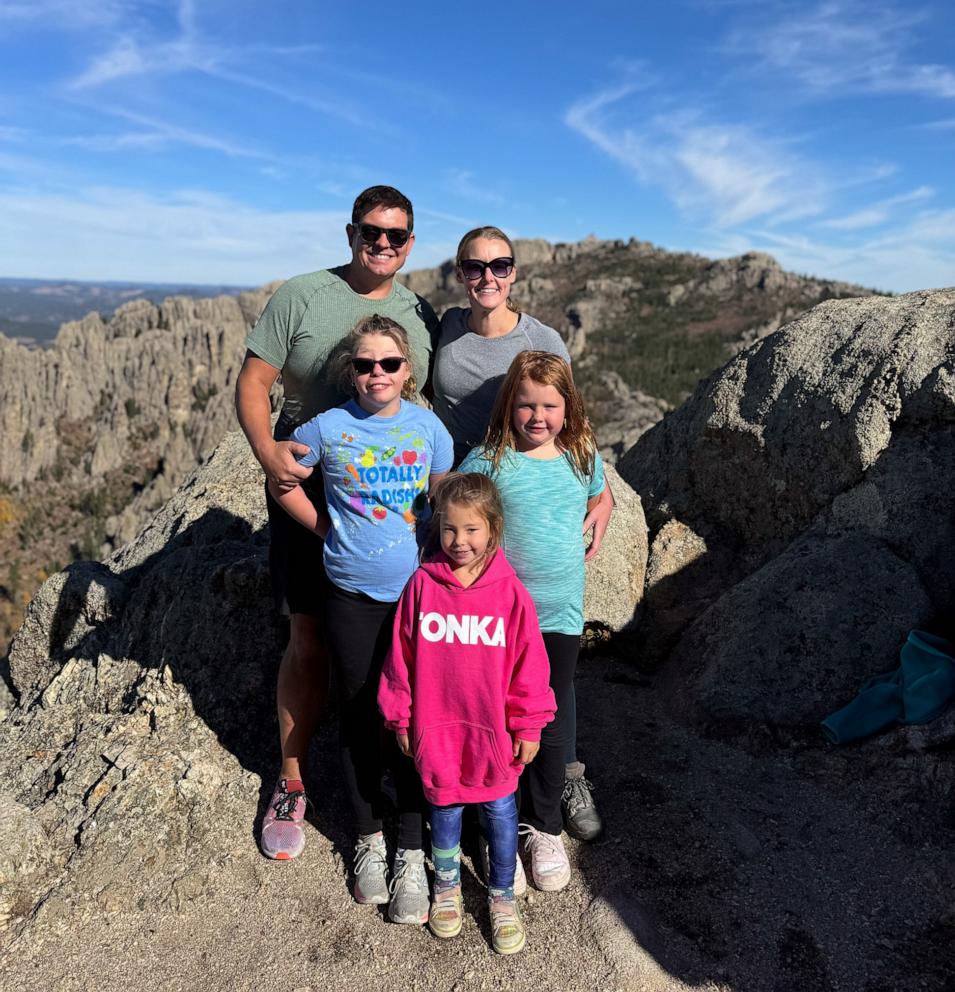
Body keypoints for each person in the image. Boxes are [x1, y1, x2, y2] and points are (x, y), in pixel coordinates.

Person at [235, 185, 437, 863]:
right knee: (308, 631)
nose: (382, 245)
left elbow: (424, 403)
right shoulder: (302, 294)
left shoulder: (416, 311)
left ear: (411, 242)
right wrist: (269, 456)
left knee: (394, 637)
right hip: (310, 475)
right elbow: (254, 383)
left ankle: (393, 776)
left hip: (385, 497)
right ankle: (292, 781)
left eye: (395, 236)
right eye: (370, 232)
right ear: (350, 231)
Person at [269, 314, 452, 923]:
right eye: (366, 364)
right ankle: (369, 838)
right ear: (351, 371)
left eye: (390, 364)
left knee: (411, 714)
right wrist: (324, 528)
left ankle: (408, 844)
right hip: (348, 594)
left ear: (408, 370)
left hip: (416, 597)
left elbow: (444, 499)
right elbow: (281, 479)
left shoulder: (429, 429)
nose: (378, 374)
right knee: (359, 712)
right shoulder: (326, 427)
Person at [432, 226, 608, 840]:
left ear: (515, 272)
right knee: (484, 666)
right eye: (474, 267)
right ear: (459, 272)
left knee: (553, 676)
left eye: (500, 266)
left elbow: (568, 415)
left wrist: (602, 494)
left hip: (540, 490)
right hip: (476, 500)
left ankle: (563, 776)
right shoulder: (445, 331)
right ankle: (483, 781)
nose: (488, 277)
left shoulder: (543, 339)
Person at [378, 473, 556, 954]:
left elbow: (529, 667)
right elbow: (401, 658)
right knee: (446, 813)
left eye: (471, 530)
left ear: (493, 529)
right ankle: (448, 889)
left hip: (494, 736)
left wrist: (529, 723)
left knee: (500, 813)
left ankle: (500, 897)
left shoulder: (510, 594)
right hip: (437, 733)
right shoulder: (421, 588)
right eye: (450, 529)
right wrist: (400, 717)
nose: (459, 541)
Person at [460, 351, 605, 891]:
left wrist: (606, 502)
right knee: (497, 718)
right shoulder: (488, 461)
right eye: (525, 404)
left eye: (549, 405)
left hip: (560, 614)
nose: (537, 416)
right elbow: (455, 515)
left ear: (568, 409)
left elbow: (597, 494)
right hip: (499, 618)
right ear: (508, 406)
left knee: (545, 714)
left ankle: (541, 825)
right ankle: (493, 825)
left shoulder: (582, 457)